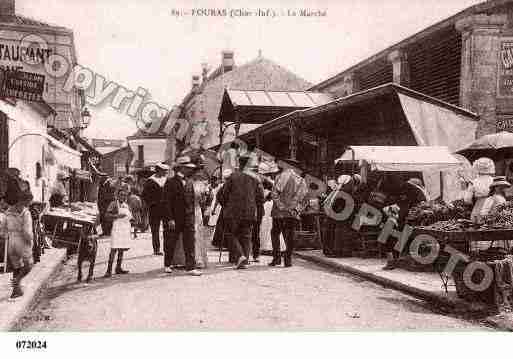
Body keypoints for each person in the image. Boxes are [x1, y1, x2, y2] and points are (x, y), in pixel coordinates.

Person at [218, 155, 264, 269]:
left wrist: (225, 205)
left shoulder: (233, 176)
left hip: (233, 211)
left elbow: (224, 194)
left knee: (230, 234)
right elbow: (261, 197)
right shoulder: (256, 178)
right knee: (246, 236)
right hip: (249, 212)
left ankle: (240, 256)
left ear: (240, 163)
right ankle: (245, 259)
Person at [162, 156, 202, 276]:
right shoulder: (170, 182)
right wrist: (169, 218)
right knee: (171, 241)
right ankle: (167, 264)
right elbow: (166, 202)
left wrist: (193, 216)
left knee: (190, 242)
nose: (190, 170)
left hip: (188, 217)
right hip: (175, 217)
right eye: (187, 168)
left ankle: (190, 267)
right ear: (181, 168)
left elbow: (191, 200)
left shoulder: (189, 182)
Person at [269, 159, 308, 267]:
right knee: (290, 235)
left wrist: (282, 206)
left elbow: (274, 194)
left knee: (275, 233)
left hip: (278, 212)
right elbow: (304, 200)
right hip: (292, 212)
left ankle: (277, 258)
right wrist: (296, 209)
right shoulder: (301, 180)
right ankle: (288, 259)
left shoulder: (279, 177)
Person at [382, 177, 427, 270]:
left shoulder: (414, 191)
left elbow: (421, 205)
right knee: (389, 237)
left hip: (406, 220)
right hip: (399, 219)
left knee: (395, 238)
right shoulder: (408, 191)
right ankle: (392, 261)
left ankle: (394, 261)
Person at [2, 191, 34, 299]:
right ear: (26, 200)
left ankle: (16, 291)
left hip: (11, 240)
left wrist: (8, 235)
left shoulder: (8, 211)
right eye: (30, 201)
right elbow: (27, 231)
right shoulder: (25, 212)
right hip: (22, 240)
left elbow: (2, 230)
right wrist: (30, 241)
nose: (31, 203)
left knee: (17, 266)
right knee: (29, 265)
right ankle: (17, 280)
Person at [141, 163, 169, 255]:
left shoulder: (166, 180)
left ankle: (167, 248)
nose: (166, 173)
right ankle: (156, 249)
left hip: (165, 208)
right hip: (154, 208)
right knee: (155, 229)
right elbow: (144, 195)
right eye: (164, 171)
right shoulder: (150, 181)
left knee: (167, 229)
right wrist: (151, 203)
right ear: (159, 170)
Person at [104, 188, 132, 277]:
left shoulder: (126, 205)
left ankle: (118, 268)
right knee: (114, 249)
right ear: (117, 195)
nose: (123, 197)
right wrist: (117, 216)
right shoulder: (113, 204)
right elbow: (107, 215)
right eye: (121, 195)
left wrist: (132, 219)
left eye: (124, 195)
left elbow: (130, 215)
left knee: (121, 248)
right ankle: (108, 270)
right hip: (116, 228)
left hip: (125, 228)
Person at [464, 157, 496, 224]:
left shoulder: (473, 182)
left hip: (478, 206)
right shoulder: (495, 181)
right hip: (493, 207)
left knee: (477, 227)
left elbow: (467, 199)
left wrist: (472, 202)